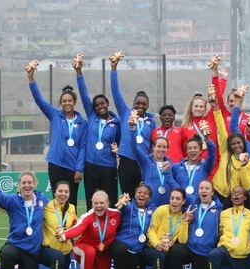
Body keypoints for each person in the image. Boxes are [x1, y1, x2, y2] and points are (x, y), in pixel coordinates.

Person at [27, 64, 86, 209]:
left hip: (72, 167)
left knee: (71, 201)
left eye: (69, 101)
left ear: (74, 102)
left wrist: (79, 169)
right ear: (61, 103)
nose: (67, 103)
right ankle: (57, 227)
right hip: (55, 164)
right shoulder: (54, 115)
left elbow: (83, 147)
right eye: (64, 101)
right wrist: (31, 77)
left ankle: (70, 229)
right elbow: (39, 100)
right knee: (57, 198)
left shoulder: (82, 123)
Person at [74, 58, 120, 209]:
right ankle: (92, 230)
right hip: (91, 166)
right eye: (97, 105)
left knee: (110, 201)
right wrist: (78, 72)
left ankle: (111, 231)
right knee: (91, 202)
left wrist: (117, 149)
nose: (100, 106)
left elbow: (119, 143)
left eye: (102, 103)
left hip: (109, 166)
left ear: (108, 104)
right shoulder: (92, 116)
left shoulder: (117, 123)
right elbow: (83, 93)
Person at [58, 190, 121, 269]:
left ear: (107, 203)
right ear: (92, 204)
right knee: (89, 251)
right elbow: (78, 228)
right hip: (82, 248)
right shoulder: (88, 216)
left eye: (102, 203)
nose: (99, 206)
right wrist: (65, 235)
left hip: (102, 254)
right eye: (95, 203)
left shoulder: (116, 214)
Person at [110, 54, 156, 197]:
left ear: (148, 105)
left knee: (143, 197)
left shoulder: (152, 121)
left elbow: (153, 143)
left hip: (143, 162)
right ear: (133, 104)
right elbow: (115, 92)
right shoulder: (125, 112)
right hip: (126, 162)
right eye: (138, 103)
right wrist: (113, 68)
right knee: (127, 197)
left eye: (144, 104)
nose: (140, 106)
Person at [168, 180, 223, 269]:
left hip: (205, 251)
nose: (204, 190)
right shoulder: (192, 204)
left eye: (207, 188)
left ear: (212, 192)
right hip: (190, 247)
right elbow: (178, 190)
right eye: (201, 188)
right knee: (176, 250)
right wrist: (185, 221)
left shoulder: (220, 209)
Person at [109, 184, 157, 269]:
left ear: (149, 198)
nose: (142, 195)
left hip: (138, 249)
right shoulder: (129, 206)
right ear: (135, 195)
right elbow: (120, 207)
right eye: (139, 192)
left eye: (145, 193)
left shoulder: (152, 210)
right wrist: (122, 201)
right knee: (120, 250)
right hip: (122, 245)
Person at [209, 186, 250, 269]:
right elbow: (220, 231)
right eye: (234, 193)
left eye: (239, 193)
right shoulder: (224, 214)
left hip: (241, 254)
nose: (236, 195)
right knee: (213, 254)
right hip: (225, 249)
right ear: (231, 198)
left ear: (245, 197)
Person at [146, 188, 191, 269]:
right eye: (172, 198)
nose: (174, 201)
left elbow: (183, 240)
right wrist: (157, 243)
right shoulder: (161, 210)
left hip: (168, 249)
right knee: (159, 255)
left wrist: (184, 222)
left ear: (183, 201)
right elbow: (151, 230)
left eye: (178, 199)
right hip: (153, 247)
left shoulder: (183, 216)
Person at [129, 113, 180, 208]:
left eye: (164, 147)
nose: (161, 149)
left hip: (166, 205)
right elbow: (134, 149)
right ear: (153, 147)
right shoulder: (145, 161)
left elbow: (176, 186)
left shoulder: (170, 164)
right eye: (159, 146)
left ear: (167, 149)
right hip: (149, 205)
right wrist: (132, 130)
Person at [210, 98, 250, 204]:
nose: (236, 146)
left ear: (243, 143)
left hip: (235, 199)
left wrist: (244, 166)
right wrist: (216, 107)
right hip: (217, 193)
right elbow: (221, 129)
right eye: (233, 144)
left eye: (239, 143)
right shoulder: (225, 152)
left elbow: (247, 186)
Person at [171, 134, 216, 200]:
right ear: (186, 151)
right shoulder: (177, 167)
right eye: (189, 148)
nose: (192, 150)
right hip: (181, 205)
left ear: (200, 150)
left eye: (195, 148)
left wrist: (207, 140)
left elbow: (212, 155)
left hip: (197, 205)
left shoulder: (205, 166)